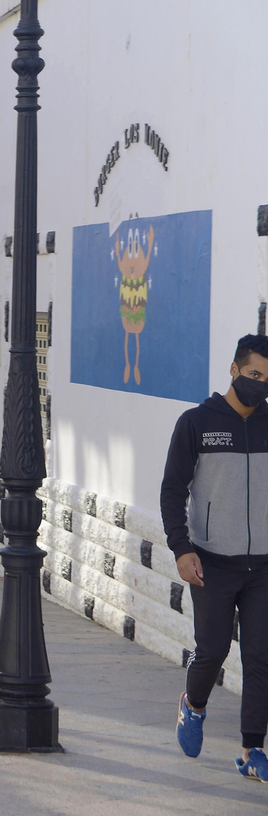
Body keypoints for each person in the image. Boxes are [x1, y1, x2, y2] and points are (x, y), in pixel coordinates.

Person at [163, 333, 268, 781]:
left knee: (262, 657)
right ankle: (194, 704)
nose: (260, 385)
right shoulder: (197, 423)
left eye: (267, 379)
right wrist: (182, 548)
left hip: (263, 564)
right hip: (212, 561)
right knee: (213, 649)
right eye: (254, 375)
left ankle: (251, 750)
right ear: (234, 370)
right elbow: (172, 490)